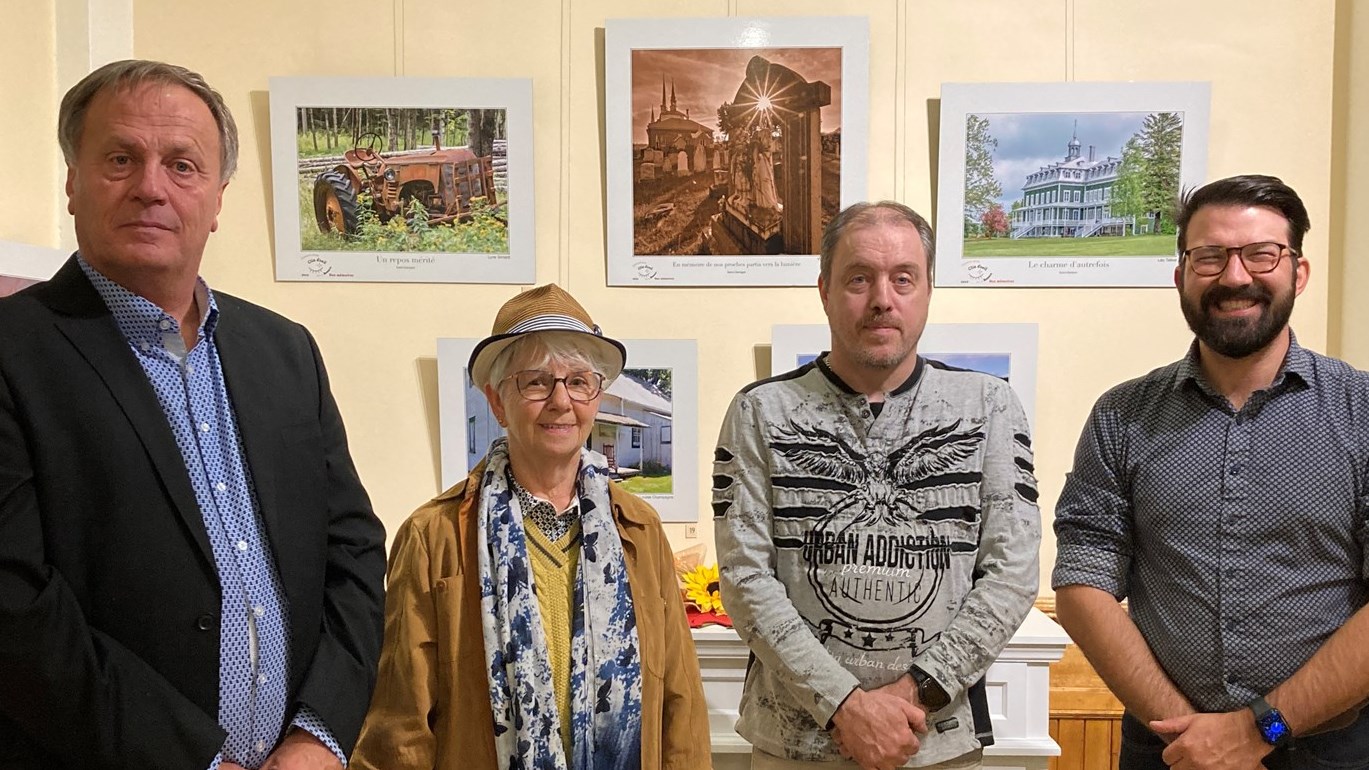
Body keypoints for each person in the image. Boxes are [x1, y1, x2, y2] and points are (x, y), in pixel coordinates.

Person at [0, 60, 386, 769]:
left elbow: (354, 552)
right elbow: (12, 606)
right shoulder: (12, 352)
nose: (152, 187)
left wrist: (320, 736)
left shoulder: (284, 351)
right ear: (71, 183)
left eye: (183, 165)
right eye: (121, 158)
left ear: (216, 198)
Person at [1052, 174, 1369, 770]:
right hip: (1169, 748)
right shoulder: (1122, 416)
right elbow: (1081, 586)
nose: (1234, 277)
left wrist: (1258, 731)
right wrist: (1191, 739)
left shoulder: (1363, 413)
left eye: (1261, 254)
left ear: (1298, 272)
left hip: (1334, 750)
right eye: (1209, 257)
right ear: (1180, 275)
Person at [713, 201, 1041, 769]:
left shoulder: (989, 407)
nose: (882, 299)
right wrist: (843, 705)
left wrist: (914, 694)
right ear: (824, 289)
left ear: (929, 290)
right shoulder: (759, 411)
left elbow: (1011, 574)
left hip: (936, 741)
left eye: (903, 278)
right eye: (859, 278)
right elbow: (745, 578)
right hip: (793, 746)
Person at [351, 284, 710, 770]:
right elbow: (402, 724)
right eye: (536, 382)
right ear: (497, 402)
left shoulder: (638, 528)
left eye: (579, 381)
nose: (562, 401)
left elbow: (680, 704)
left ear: (596, 396)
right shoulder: (434, 535)